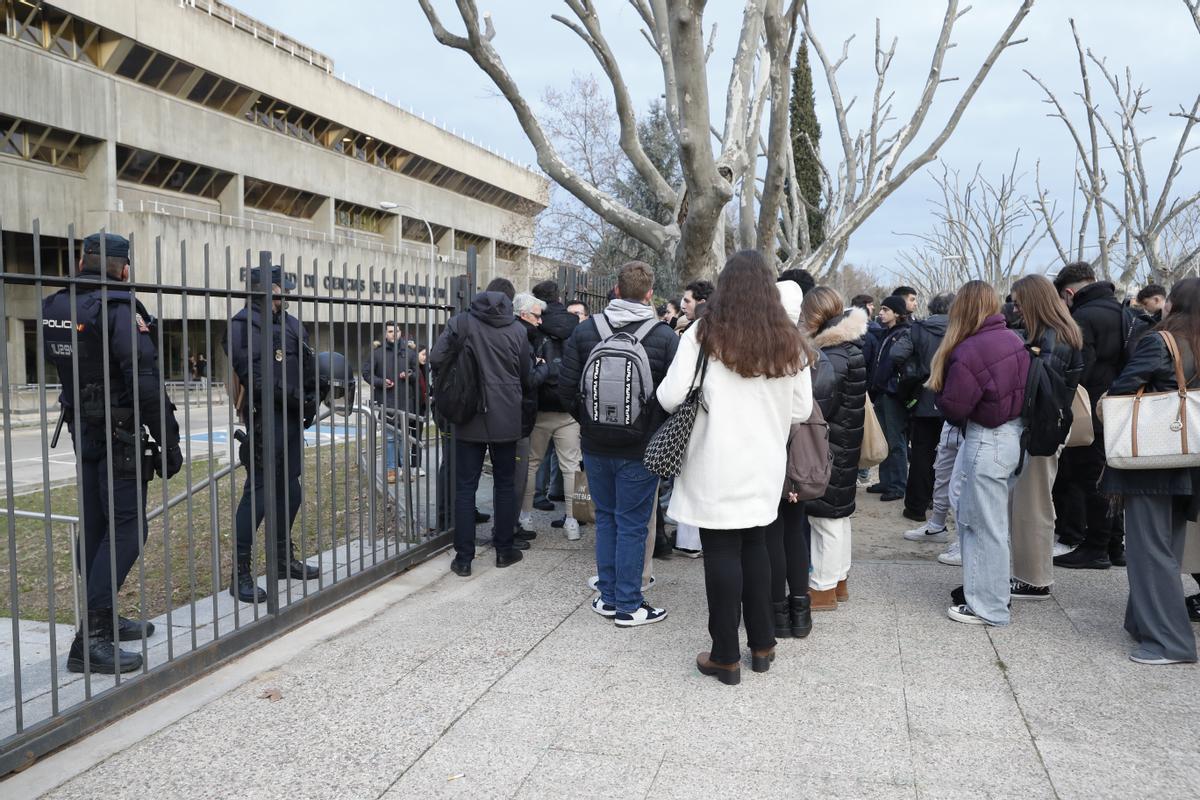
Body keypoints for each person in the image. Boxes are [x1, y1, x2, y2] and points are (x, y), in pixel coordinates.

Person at [659, 251, 813, 685]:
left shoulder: (704, 334)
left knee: (723, 552)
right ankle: (762, 644)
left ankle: (725, 655)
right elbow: (801, 408)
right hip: (764, 461)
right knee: (758, 547)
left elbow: (671, 397)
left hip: (715, 461)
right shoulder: (788, 339)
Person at [42, 233, 183, 674]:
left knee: (98, 527)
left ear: (83, 260)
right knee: (128, 528)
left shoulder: (56, 306)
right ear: (122, 267)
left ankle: (102, 615)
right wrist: (170, 439)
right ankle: (93, 637)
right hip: (119, 432)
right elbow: (144, 379)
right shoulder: (118, 308)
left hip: (83, 430)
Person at [559, 260, 678, 627]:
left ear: (614, 291)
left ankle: (609, 597)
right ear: (648, 295)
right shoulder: (663, 336)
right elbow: (673, 396)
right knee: (632, 525)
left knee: (607, 520)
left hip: (595, 446)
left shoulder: (585, 332)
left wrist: (592, 425)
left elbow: (566, 390)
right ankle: (629, 605)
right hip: (640, 449)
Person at [1100, 278, 1200, 664]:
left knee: (1149, 551)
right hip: (1189, 460)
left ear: (1172, 304)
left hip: (1154, 459)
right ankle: (1144, 621)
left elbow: (1124, 391)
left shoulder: (1161, 342)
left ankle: (1168, 642)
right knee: (1166, 549)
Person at [928, 281, 1029, 626]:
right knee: (992, 524)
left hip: (986, 439)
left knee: (981, 525)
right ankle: (989, 594)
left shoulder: (971, 349)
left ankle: (988, 606)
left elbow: (955, 406)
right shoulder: (1014, 339)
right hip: (1011, 437)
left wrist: (940, 394)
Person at [225, 264, 322, 604]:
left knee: (290, 493)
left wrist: (313, 394)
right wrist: (296, 395)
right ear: (267, 290)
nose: (287, 295)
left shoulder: (292, 325)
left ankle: (281, 560)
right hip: (265, 418)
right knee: (258, 495)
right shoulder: (242, 325)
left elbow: (308, 364)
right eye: (282, 289)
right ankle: (241, 572)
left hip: (294, 418)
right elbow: (255, 376)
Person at [431, 280, 533, 577]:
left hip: (468, 413)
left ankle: (463, 558)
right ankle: (504, 550)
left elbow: (437, 358)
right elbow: (526, 375)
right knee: (504, 484)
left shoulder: (460, 323)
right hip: (507, 417)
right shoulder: (517, 330)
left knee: (465, 487)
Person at [1006, 274, 1084, 601]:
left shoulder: (1052, 339)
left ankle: (1034, 579)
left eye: (1019, 301)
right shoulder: (1061, 332)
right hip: (1050, 428)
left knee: (1032, 505)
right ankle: (1030, 574)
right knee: (1032, 503)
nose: (1015, 308)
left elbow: (1041, 390)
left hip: (1042, 431)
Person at [1052, 261, 1126, 569]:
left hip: (1090, 408)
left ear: (1068, 293)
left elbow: (1079, 368)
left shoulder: (1082, 316)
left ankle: (1095, 547)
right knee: (1111, 477)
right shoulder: (1124, 313)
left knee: (1090, 478)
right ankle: (1113, 547)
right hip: (1119, 406)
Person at [802, 287, 867, 612]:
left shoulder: (833, 353)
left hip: (830, 445)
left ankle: (823, 588)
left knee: (825, 519)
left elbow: (817, 404)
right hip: (844, 442)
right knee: (838, 517)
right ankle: (838, 580)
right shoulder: (847, 346)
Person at [520, 281, 583, 539]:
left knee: (531, 465)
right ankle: (572, 522)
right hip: (568, 407)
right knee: (572, 467)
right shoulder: (576, 325)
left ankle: (525, 518)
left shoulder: (533, 325)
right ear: (559, 297)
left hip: (540, 405)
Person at [894, 292, 954, 523]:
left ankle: (916, 507)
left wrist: (916, 368)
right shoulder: (962, 330)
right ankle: (943, 505)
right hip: (953, 400)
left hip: (924, 399)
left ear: (930, 308)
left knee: (921, 454)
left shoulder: (917, 330)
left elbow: (896, 354)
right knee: (952, 457)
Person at [512, 293, 549, 543]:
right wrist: (543, 366)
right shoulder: (523, 336)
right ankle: (509, 529)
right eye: (537, 316)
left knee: (518, 474)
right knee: (515, 476)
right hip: (518, 415)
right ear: (524, 315)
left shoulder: (519, 332)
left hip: (516, 413)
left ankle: (512, 525)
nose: (540, 321)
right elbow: (529, 380)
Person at [866, 295, 912, 501]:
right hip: (882, 392)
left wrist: (892, 387)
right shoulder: (886, 333)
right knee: (883, 439)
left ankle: (898, 484)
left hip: (893, 394)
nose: (880, 312)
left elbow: (898, 364)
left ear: (897, 313)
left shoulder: (904, 333)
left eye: (885, 309)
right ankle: (886, 481)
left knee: (895, 441)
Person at [363, 320, 418, 484]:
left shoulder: (409, 353)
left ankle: (406, 470)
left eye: (397, 331)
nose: (394, 334)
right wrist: (381, 382)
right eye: (390, 331)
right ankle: (391, 470)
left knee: (404, 438)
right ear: (385, 334)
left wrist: (409, 374)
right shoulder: (377, 353)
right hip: (386, 401)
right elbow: (366, 373)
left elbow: (417, 373)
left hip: (405, 402)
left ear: (401, 333)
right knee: (389, 438)